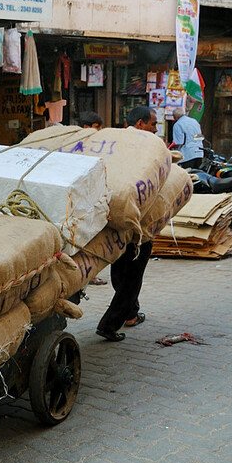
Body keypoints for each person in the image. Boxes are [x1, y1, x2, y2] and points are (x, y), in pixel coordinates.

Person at [95, 106, 157, 342]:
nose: (155, 129)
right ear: (140, 124)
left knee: (120, 269)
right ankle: (110, 323)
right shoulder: (146, 147)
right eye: (153, 124)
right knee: (132, 276)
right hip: (137, 221)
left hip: (114, 218)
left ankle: (131, 313)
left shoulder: (115, 140)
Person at [78, 111, 109, 285]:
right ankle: (89, 274)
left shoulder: (94, 144)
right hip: (83, 200)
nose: (100, 130)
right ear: (86, 127)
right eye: (98, 127)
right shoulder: (82, 145)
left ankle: (89, 273)